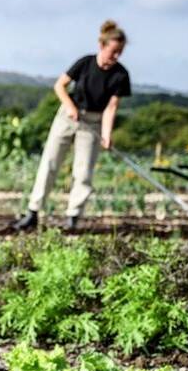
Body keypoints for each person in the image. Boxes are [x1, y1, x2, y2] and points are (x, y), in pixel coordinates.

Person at [12, 20, 131, 232]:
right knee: (49, 163)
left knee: (84, 171)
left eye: (119, 52)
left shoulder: (120, 75)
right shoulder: (84, 63)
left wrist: (106, 134)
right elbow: (59, 85)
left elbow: (111, 107)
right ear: (102, 46)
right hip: (67, 118)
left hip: (92, 123)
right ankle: (33, 212)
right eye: (113, 51)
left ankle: (73, 217)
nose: (116, 57)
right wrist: (69, 106)